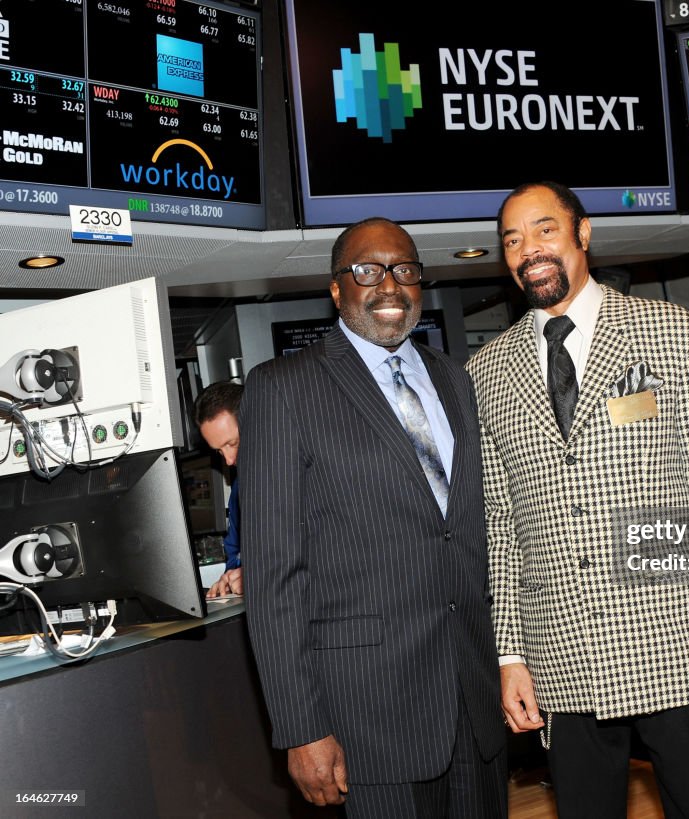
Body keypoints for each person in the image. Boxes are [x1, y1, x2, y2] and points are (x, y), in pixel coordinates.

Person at [466, 182, 689, 819]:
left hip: (675, 643)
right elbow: (501, 525)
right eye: (513, 240)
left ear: (583, 233)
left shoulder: (674, 333)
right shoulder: (486, 371)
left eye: (544, 230)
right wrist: (510, 657)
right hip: (559, 653)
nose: (529, 251)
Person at [238, 217, 506, 817]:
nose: (390, 285)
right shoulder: (283, 388)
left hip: (473, 698)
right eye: (368, 270)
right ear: (337, 288)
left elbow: (466, 535)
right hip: (367, 720)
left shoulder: (453, 380)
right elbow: (274, 576)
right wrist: (301, 727)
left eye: (405, 270)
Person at [194, 380, 244, 598]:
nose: (230, 460)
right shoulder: (240, 487)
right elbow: (235, 551)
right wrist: (230, 577)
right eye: (219, 451)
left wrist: (259, 575)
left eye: (232, 443)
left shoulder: (301, 472)